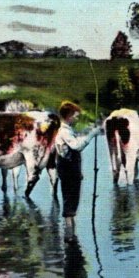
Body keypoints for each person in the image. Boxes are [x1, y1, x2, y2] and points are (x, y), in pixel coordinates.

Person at [54, 101, 102, 242]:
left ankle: (71, 233)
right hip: (69, 170)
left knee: (72, 202)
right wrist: (91, 135)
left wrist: (87, 131)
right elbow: (76, 146)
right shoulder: (64, 131)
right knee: (70, 202)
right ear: (68, 116)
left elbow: (74, 141)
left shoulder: (66, 130)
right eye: (75, 116)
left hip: (69, 170)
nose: (76, 118)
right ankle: (69, 236)